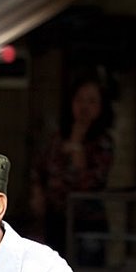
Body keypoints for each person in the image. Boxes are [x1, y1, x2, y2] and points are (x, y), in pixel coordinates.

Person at [30, 75, 114, 261]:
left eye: (91, 101)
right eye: (80, 100)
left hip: (87, 220)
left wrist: (77, 149)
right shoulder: (57, 139)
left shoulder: (103, 142)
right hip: (55, 219)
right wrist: (38, 193)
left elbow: (93, 180)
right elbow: (40, 168)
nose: (84, 107)